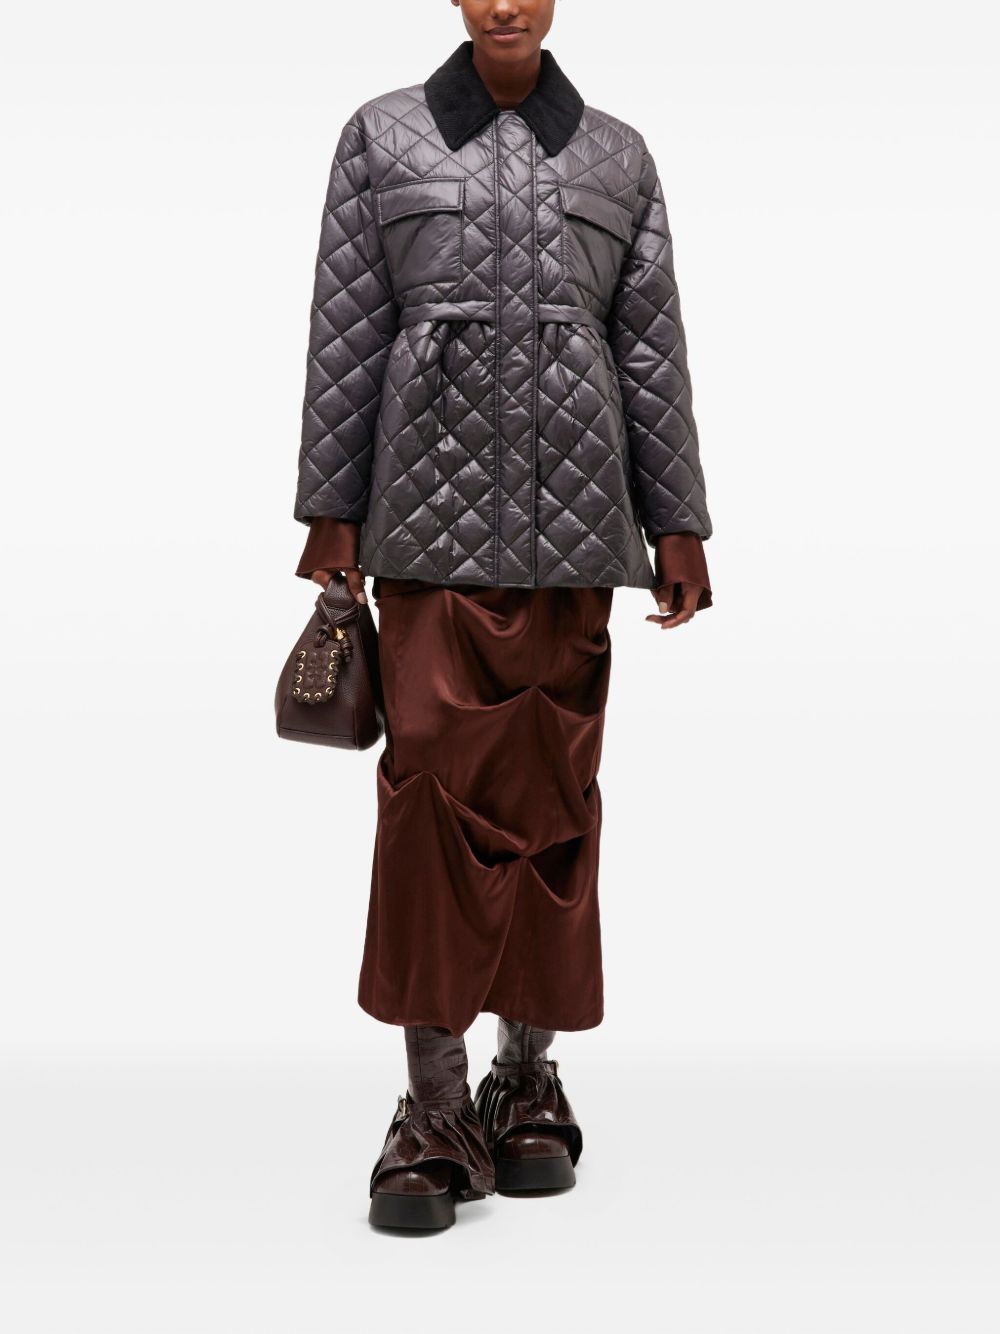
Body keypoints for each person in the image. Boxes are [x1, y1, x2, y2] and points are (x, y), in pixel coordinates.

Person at [292, 0, 712, 1232]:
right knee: (428, 800)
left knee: (553, 802)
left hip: (576, 529)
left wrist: (678, 518)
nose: (505, 2)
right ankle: (432, 1106)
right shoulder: (381, 137)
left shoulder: (619, 155)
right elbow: (346, 334)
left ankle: (526, 1075)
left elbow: (648, 347)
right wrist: (331, 516)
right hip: (424, 522)